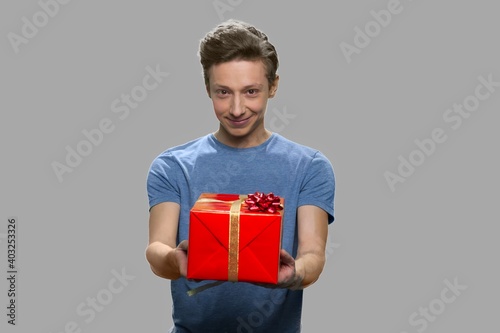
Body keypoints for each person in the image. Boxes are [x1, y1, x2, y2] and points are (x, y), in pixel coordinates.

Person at [146, 19, 335, 333]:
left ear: (273, 86)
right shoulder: (172, 165)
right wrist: (177, 261)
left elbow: (313, 255)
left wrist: (292, 274)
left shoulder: (310, 166)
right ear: (207, 88)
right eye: (223, 92)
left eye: (250, 91)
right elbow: (156, 250)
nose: (236, 108)